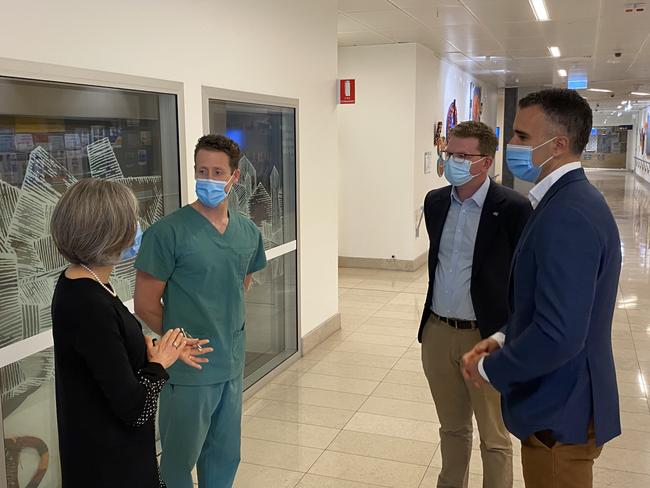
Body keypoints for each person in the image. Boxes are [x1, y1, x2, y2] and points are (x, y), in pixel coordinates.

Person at [462, 88, 622, 488]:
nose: (511, 146)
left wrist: (491, 368)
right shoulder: (564, 202)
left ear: (560, 144)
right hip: (561, 399)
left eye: (521, 137)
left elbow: (559, 334)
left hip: (558, 410)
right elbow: (545, 304)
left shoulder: (568, 213)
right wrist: (502, 337)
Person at [51, 178, 211, 488]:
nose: (136, 228)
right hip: (110, 466)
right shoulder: (88, 303)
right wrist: (159, 364)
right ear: (108, 233)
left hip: (107, 455)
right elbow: (136, 408)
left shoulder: (83, 282)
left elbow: (105, 353)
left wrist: (154, 346)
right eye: (130, 221)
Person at [134, 134, 268, 488]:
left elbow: (242, 282)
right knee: (179, 460)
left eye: (217, 172)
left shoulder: (247, 233)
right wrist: (178, 343)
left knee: (225, 455)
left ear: (234, 178)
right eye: (202, 171)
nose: (208, 179)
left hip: (231, 363)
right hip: (188, 371)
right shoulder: (167, 234)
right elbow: (145, 303)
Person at [419, 121, 532, 488]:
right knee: (451, 429)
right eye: (449, 153)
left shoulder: (513, 208)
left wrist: (507, 334)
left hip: (484, 336)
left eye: (462, 155)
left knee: (494, 437)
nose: (452, 161)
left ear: (484, 163)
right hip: (437, 332)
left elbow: (524, 279)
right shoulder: (436, 202)